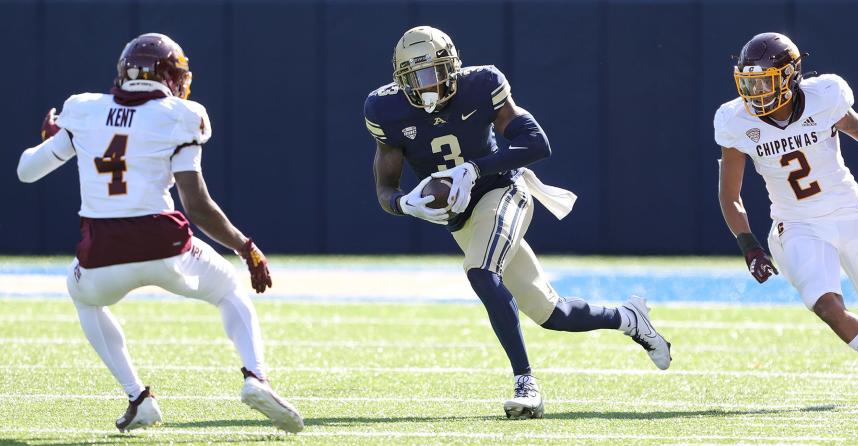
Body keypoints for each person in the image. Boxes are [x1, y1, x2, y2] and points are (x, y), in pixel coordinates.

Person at [365, 26, 671, 420]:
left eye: (435, 72)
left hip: (504, 191)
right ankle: (629, 318)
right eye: (415, 78)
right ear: (399, 80)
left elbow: (536, 143)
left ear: (452, 66)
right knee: (552, 313)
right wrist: (407, 204)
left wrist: (475, 169)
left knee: (479, 270)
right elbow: (385, 190)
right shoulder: (384, 109)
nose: (428, 86)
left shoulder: (482, 85)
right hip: (463, 220)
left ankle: (525, 383)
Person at [16, 33, 304, 432]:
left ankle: (137, 397)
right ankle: (256, 377)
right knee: (230, 292)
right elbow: (198, 206)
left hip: (101, 253)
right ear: (168, 76)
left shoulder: (82, 111)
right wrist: (245, 246)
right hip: (166, 247)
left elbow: (26, 172)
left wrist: (51, 142)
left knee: (82, 297)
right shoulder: (180, 115)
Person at [714, 32, 858, 411]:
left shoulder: (825, 96)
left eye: (764, 81)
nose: (755, 92)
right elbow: (729, 194)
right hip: (796, 224)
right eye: (748, 82)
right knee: (827, 305)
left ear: (789, 76)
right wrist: (748, 243)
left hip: (848, 211)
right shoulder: (735, 121)